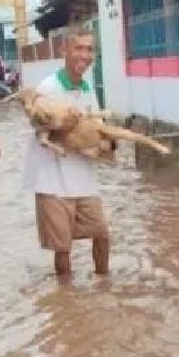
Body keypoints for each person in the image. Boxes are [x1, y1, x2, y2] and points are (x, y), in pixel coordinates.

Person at [22, 27, 108, 280]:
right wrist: (68, 131)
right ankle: (66, 294)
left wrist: (104, 145)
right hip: (52, 179)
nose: (85, 55)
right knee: (62, 247)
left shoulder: (88, 88)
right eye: (78, 48)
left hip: (83, 176)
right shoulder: (48, 88)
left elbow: (94, 127)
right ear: (64, 51)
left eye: (89, 49)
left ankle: (104, 282)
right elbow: (39, 128)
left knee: (102, 233)